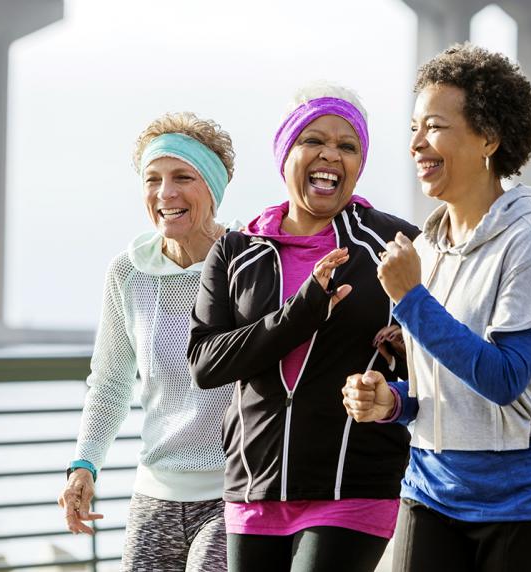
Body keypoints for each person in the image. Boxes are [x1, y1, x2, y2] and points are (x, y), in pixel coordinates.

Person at [342, 44, 531, 572]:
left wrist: (410, 299)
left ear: (489, 139)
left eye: (434, 127)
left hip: (530, 502)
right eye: (413, 128)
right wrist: (394, 401)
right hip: (431, 491)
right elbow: (446, 388)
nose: (415, 143)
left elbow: (503, 379)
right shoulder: (426, 249)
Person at [187, 82, 419, 572]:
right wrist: (305, 310)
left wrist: (412, 340)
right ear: (286, 151)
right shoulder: (235, 250)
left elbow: (446, 344)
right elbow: (207, 364)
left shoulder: (395, 244)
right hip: (255, 483)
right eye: (313, 140)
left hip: (354, 483)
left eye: (347, 145)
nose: (330, 154)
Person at [58, 112, 237, 571]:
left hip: (234, 493)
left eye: (183, 177)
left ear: (213, 188)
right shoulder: (128, 272)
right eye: (152, 179)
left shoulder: (248, 264)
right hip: (154, 494)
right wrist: (85, 465)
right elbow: (111, 381)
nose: (165, 193)